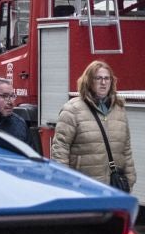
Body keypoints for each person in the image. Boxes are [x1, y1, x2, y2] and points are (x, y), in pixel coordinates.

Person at [50, 60, 135, 190]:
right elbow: (60, 149)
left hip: (113, 188)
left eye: (107, 78)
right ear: (89, 81)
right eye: (98, 78)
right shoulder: (72, 109)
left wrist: (130, 179)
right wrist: (64, 182)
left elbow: (126, 149)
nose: (103, 82)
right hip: (83, 187)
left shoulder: (119, 109)